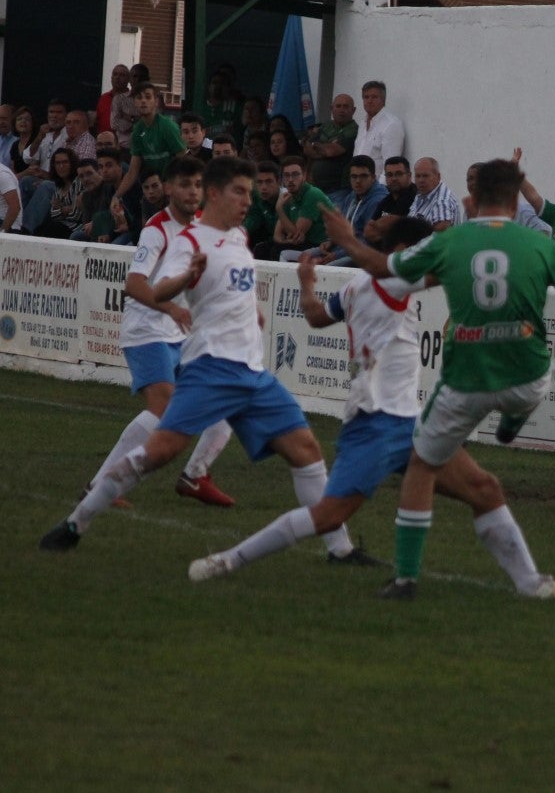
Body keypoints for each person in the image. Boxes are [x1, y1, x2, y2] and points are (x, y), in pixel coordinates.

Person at [189, 217, 555, 595]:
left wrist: (306, 282)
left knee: (484, 488)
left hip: (410, 422)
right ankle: (227, 560)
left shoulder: (357, 285)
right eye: (422, 247)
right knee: (330, 515)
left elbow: (314, 317)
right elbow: (455, 268)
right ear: (403, 251)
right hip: (377, 422)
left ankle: (532, 584)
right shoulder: (394, 280)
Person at [323, 157, 555, 598]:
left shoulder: (453, 241)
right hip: (527, 376)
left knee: (422, 465)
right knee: (536, 377)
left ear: (473, 199)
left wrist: (348, 240)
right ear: (516, 198)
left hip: (465, 382)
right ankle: (515, 418)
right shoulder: (541, 244)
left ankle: (406, 579)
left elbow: (382, 270)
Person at [40, 156, 368, 562]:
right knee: (158, 452)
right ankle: (77, 521)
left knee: (306, 450)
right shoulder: (189, 242)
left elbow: (235, 289)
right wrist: (185, 278)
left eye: (250, 193)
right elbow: (158, 291)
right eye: (240, 192)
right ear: (214, 193)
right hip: (211, 368)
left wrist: (253, 311)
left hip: (252, 372)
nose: (248, 201)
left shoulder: (237, 237)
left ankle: (340, 550)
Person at [73, 156, 240, 510]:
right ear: (167, 189)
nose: (193, 191)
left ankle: (195, 475)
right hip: (148, 329)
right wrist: (171, 308)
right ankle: (102, 486)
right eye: (184, 184)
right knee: (165, 412)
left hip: (181, 332)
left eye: (198, 184)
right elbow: (133, 284)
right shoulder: (157, 229)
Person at [115, 82, 184, 201]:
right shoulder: (137, 131)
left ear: (156, 102)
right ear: (134, 102)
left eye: (147, 97)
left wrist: (170, 185)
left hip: (174, 189)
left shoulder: (168, 126)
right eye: (139, 98)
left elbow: (184, 161)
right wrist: (116, 197)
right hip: (153, 190)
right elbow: (132, 172)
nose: (143, 101)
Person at [258, 155, 333, 261]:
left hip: (321, 245)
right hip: (305, 243)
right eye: (286, 175)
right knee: (261, 249)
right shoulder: (288, 196)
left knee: (279, 252)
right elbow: (277, 235)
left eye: (295, 175)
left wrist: (279, 209)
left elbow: (296, 236)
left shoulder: (312, 194)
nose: (290, 180)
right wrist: (286, 242)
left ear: (305, 175)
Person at [302, 93, 358, 206]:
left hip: (339, 191)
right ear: (331, 109)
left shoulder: (354, 129)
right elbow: (307, 149)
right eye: (338, 106)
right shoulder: (325, 126)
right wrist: (323, 149)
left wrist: (316, 146)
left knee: (332, 222)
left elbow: (332, 151)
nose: (342, 110)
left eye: (346, 106)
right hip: (315, 189)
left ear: (353, 110)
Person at [352, 80, 404, 179]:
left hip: (376, 188)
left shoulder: (391, 124)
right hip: (358, 184)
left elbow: (390, 165)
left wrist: (381, 190)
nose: (369, 101)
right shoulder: (362, 123)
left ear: (383, 100)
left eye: (374, 97)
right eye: (366, 97)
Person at [362, 155, 415, 246]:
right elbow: (368, 231)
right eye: (390, 175)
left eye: (398, 174)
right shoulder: (386, 200)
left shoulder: (415, 197)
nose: (394, 178)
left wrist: (379, 231)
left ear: (409, 175)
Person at [407, 157, 462, 231]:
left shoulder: (442, 201)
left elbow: (441, 235)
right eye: (418, 176)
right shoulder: (422, 195)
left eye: (425, 176)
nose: (421, 180)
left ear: (438, 177)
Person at [96, 64, 130, 136]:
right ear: (111, 78)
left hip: (124, 144)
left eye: (122, 75)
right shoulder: (103, 98)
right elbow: (98, 122)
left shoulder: (133, 99)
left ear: (128, 79)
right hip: (103, 143)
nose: (117, 77)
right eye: (115, 74)